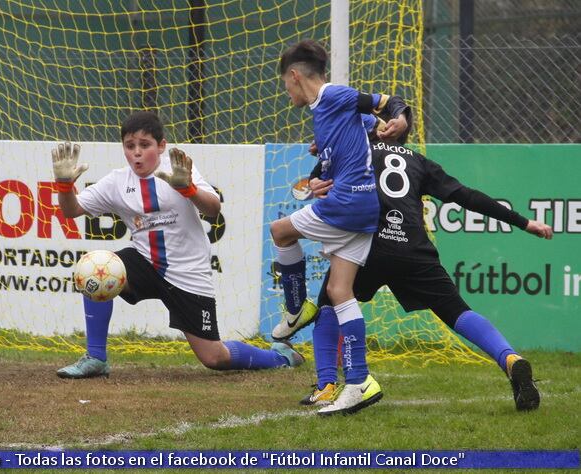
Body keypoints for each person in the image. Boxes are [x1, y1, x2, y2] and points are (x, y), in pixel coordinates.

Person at [274, 113, 550, 412]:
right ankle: (510, 359)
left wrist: (322, 152)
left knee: (329, 300)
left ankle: (327, 386)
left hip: (369, 243)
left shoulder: (357, 153)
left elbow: (319, 182)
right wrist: (523, 222)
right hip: (414, 248)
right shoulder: (419, 162)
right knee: (457, 311)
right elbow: (466, 197)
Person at [52, 110, 303, 378]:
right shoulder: (116, 182)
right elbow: (72, 210)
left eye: (145, 145)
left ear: (161, 146)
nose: (137, 152)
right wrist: (65, 186)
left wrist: (189, 189)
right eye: (130, 146)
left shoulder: (180, 170)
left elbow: (213, 209)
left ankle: (281, 357)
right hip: (145, 263)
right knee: (95, 270)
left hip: (188, 273)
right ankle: (96, 358)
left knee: (214, 357)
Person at [269, 40, 409, 415]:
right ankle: (360, 382)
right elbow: (369, 127)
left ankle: (297, 309)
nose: (287, 92)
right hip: (363, 208)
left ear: (296, 76)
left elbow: (382, 102)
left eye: (286, 84)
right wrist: (321, 174)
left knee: (280, 231)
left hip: (349, 206)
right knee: (339, 290)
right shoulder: (328, 113)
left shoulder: (332, 95)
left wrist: (400, 115)